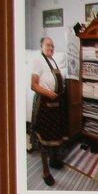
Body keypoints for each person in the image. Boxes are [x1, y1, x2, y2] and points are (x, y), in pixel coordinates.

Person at [30, 37, 67, 186]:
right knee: (44, 138)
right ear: (41, 46)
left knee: (54, 134)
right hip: (44, 104)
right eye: (47, 45)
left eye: (52, 45)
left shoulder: (53, 61)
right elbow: (33, 85)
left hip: (55, 104)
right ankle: (45, 172)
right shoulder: (38, 60)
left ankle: (53, 160)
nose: (50, 47)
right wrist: (49, 93)